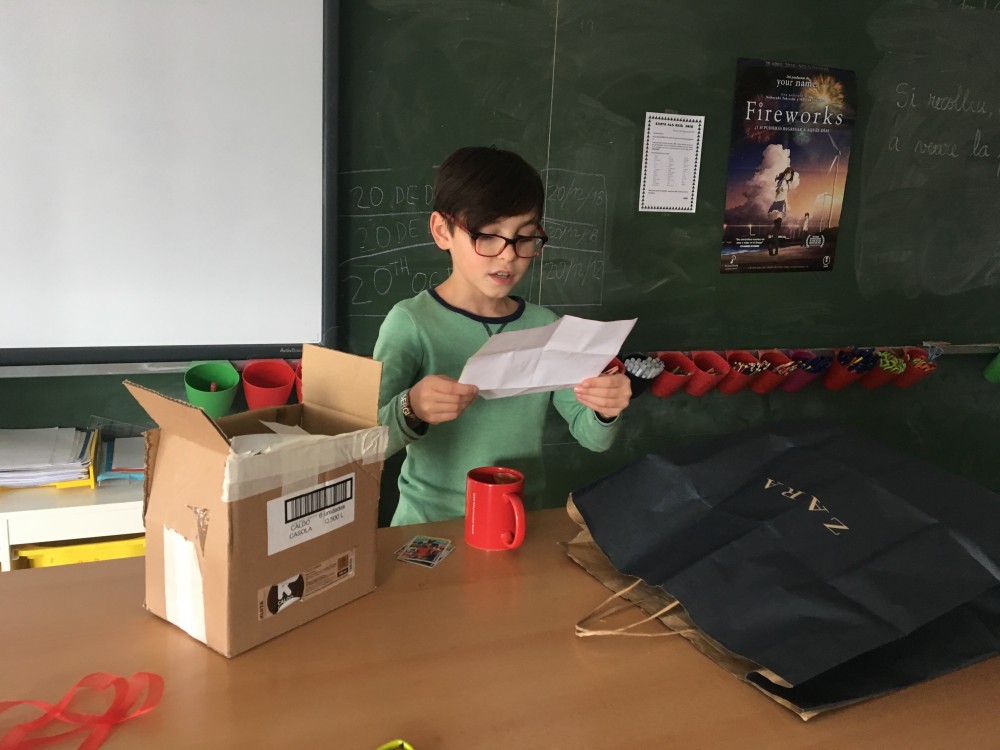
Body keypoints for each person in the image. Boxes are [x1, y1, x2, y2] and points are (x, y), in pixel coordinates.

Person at [373, 146, 632, 526]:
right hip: (429, 526)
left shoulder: (544, 325)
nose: (508, 256)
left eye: (525, 237)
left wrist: (605, 409)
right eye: (489, 236)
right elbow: (365, 446)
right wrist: (411, 408)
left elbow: (593, 437)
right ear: (442, 231)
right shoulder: (411, 322)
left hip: (518, 521)